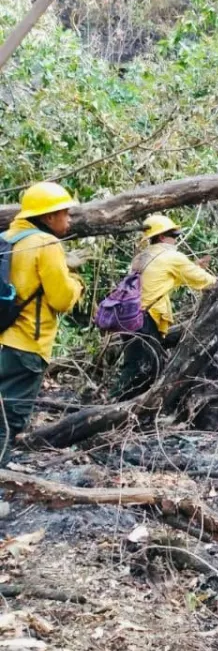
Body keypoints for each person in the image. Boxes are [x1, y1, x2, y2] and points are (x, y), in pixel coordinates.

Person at [0, 182, 84, 465]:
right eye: (65, 214)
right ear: (49, 217)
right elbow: (61, 299)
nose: (69, 219)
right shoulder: (46, 243)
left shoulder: (7, 237)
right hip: (24, 345)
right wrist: (76, 283)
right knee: (8, 422)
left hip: (2, 338)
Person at [112, 214, 215, 399]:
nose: (176, 239)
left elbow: (159, 281)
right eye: (173, 235)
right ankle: (118, 410)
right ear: (161, 237)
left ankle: (122, 407)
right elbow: (207, 282)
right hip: (145, 319)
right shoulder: (171, 256)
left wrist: (192, 267)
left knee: (135, 364)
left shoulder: (142, 257)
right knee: (143, 370)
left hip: (129, 317)